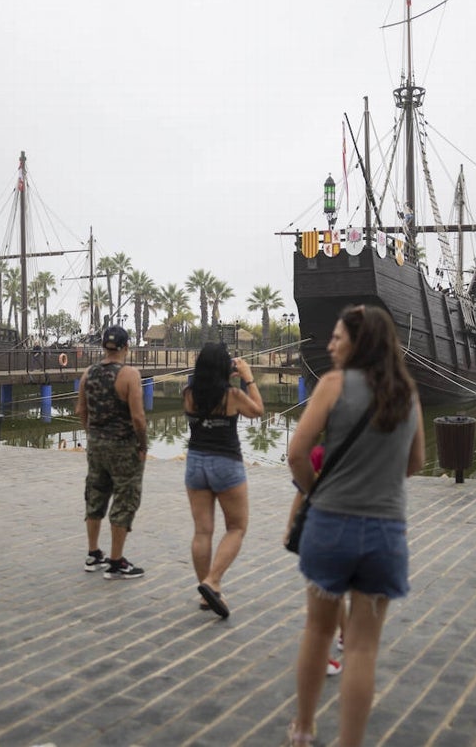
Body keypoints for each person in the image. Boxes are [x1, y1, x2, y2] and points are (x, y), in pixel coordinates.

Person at [284, 305, 425, 747]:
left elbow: (296, 454)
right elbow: (416, 463)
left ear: (358, 343)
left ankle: (304, 730)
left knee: (319, 630)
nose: (330, 345)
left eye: (337, 338)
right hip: (385, 534)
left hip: (330, 528)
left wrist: (314, 493)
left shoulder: (332, 386)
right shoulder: (408, 394)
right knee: (363, 648)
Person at [183, 343, 264, 618]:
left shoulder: (188, 393)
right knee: (237, 527)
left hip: (195, 463)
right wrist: (248, 377)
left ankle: (207, 596)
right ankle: (212, 581)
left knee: (202, 531)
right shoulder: (232, 395)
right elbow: (258, 411)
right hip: (225, 463)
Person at [76, 324, 149, 579]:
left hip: (96, 446)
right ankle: (116, 561)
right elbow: (138, 418)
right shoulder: (129, 375)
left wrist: (92, 433)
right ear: (126, 347)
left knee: (95, 495)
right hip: (123, 447)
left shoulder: (88, 373)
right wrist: (143, 445)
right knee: (124, 499)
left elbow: (80, 411)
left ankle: (93, 553)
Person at [286, 444, 347, 675]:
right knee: (337, 590)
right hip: (363, 526)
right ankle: (346, 637)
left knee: (324, 597)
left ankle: (322, 655)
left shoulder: (319, 453)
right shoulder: (371, 448)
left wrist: (290, 527)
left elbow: (302, 492)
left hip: (322, 528)